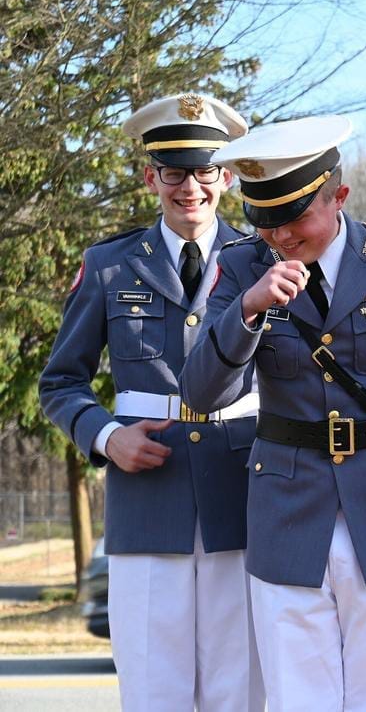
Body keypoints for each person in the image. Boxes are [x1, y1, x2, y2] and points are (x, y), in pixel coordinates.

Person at [178, 116, 366, 711]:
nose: (280, 235)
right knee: (297, 698)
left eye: (295, 216)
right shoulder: (241, 265)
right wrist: (247, 312)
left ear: (339, 196)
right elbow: (201, 393)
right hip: (288, 513)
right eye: (265, 219)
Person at [39, 93, 263, 711]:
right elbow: (60, 382)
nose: (190, 187)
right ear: (150, 178)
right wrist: (107, 437)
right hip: (147, 504)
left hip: (239, 497)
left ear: (225, 178)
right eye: (174, 172)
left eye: (204, 171)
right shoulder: (109, 266)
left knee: (240, 690)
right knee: (152, 690)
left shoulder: (259, 262)